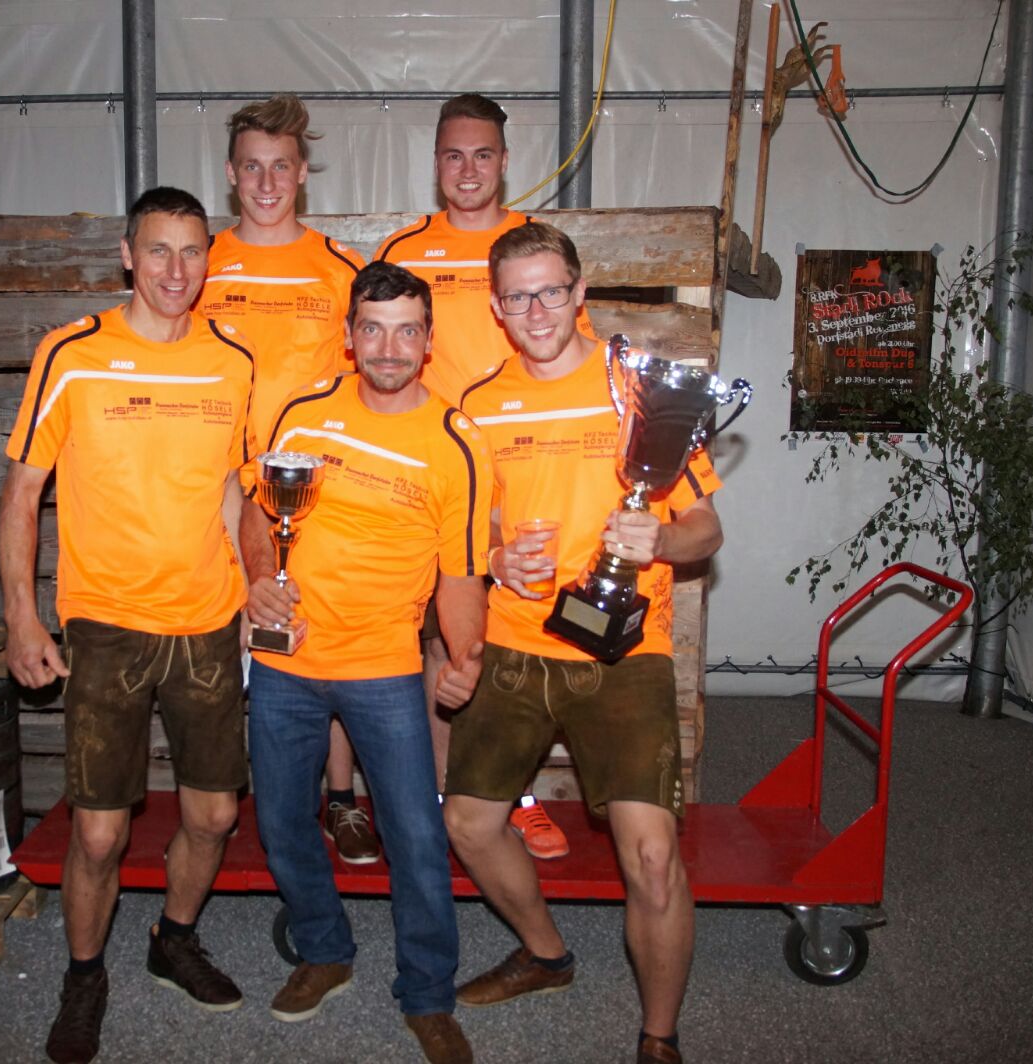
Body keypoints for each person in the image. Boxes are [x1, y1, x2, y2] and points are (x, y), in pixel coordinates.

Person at [446, 221, 723, 1064]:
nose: (536, 310)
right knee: (468, 822)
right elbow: (467, 537)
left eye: (551, 291)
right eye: (518, 296)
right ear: (496, 308)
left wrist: (661, 540)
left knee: (653, 856)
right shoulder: (478, 409)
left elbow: (706, 528)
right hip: (516, 644)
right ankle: (544, 953)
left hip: (624, 652)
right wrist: (497, 559)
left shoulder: (639, 393)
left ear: (580, 294)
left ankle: (659, 1037)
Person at [0, 186, 255, 1064]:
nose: (176, 270)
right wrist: (22, 616)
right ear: (127, 255)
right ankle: (83, 977)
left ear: (209, 257)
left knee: (214, 815)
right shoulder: (71, 353)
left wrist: (252, 592)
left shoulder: (232, 362)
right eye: (158, 250)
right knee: (100, 831)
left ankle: (172, 938)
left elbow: (232, 491)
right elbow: (24, 492)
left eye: (192, 251)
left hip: (206, 623)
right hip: (104, 624)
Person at [241, 261, 491, 1064]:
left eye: (406, 330)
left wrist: (465, 655)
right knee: (282, 821)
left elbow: (461, 574)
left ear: (428, 341)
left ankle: (428, 992)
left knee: (415, 835)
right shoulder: (304, 413)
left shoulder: (456, 442)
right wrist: (257, 580)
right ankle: (324, 950)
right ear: (349, 338)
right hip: (288, 661)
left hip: (385, 667)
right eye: (373, 330)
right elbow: (257, 512)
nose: (389, 347)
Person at [375, 92, 582, 860]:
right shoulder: (404, 250)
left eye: (483, 154)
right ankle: (439, 798)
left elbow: (572, 358)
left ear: (504, 161)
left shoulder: (531, 250)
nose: (468, 170)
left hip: (521, 477)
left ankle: (511, 797)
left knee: (511, 643)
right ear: (436, 164)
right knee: (441, 643)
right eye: (454, 155)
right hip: (433, 480)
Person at [199, 94, 380, 865]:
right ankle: (224, 807)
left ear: (303, 173)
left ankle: (340, 799)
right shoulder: (202, 264)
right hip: (215, 489)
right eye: (252, 167)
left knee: (322, 640)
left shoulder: (341, 268)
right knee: (226, 640)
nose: (267, 183)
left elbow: (369, 377)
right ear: (231, 174)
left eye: (281, 167)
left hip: (315, 495)